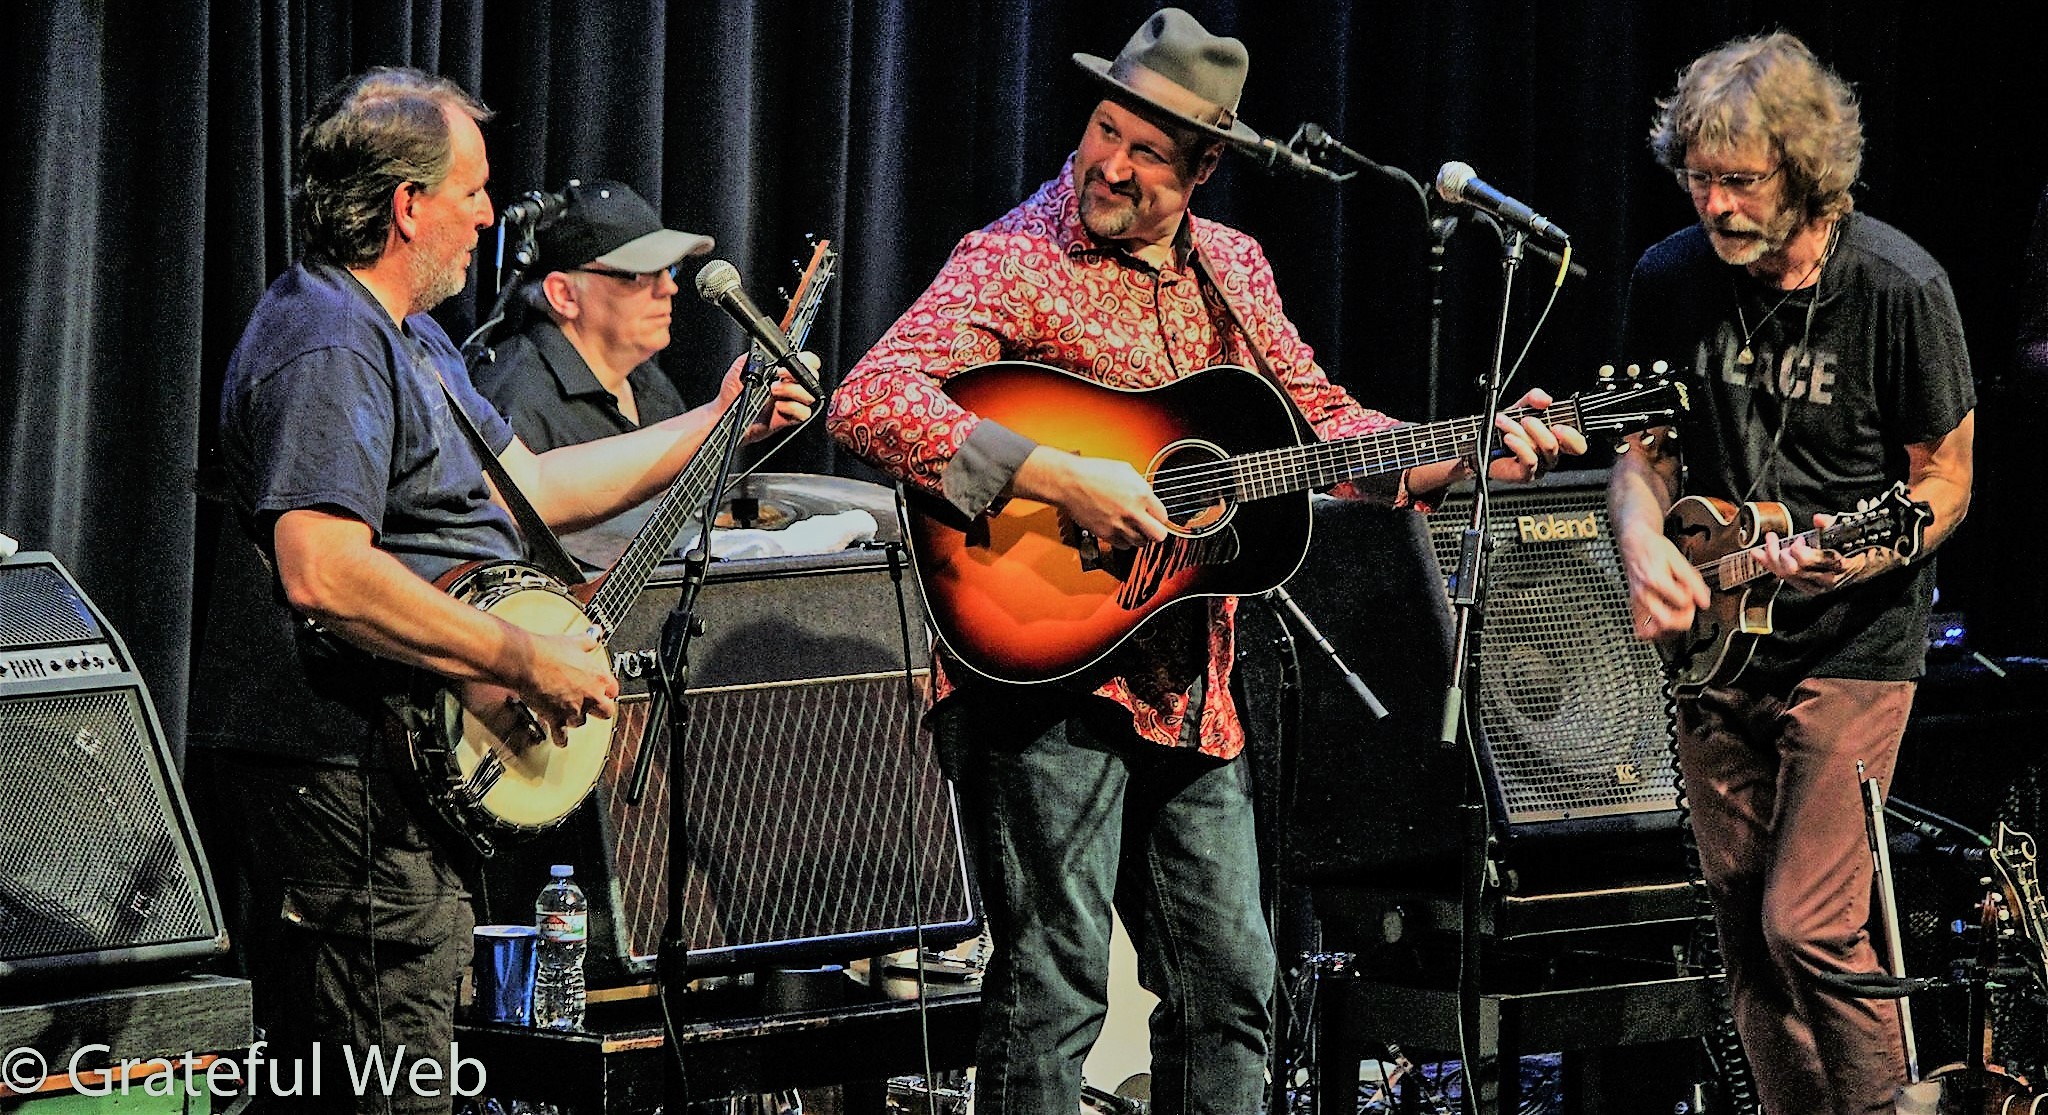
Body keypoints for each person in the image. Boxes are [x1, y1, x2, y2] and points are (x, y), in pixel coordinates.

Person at [826, 10, 1583, 1112]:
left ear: (1205, 167)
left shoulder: (1232, 267)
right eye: (1101, 130)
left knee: (1232, 986)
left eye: (1145, 151)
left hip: (1191, 684)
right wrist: (1055, 474)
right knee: (1052, 985)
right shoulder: (1012, 258)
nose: (1108, 164)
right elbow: (870, 400)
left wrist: (1465, 456)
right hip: (1044, 669)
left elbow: (1320, 429)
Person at [212, 67, 810, 1115]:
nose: (491, 213)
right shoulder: (327, 341)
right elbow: (322, 565)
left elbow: (533, 486)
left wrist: (718, 425)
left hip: (404, 783)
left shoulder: (407, 334)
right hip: (351, 783)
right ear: (407, 205)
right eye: (474, 189)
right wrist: (522, 656)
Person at [1608, 32, 1974, 1115]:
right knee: (1737, 918)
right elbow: (1640, 453)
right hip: (1718, 641)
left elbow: (1943, 481)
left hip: (1852, 643)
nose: (1712, 204)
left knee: (1805, 918)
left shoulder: (1898, 285)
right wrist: (1638, 543)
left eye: (1738, 181)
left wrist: (1848, 551)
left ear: (1805, 171)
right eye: (1697, 178)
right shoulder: (1668, 278)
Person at [472, 178, 713, 453]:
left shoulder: (653, 388)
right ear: (564, 295)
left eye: (669, 269)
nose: (669, 287)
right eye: (640, 275)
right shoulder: (512, 401)